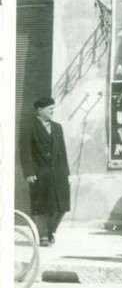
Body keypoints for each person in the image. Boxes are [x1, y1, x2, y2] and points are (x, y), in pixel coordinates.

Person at [20, 96, 71, 246]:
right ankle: (42, 235)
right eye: (50, 109)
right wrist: (28, 172)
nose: (53, 112)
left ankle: (50, 230)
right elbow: (24, 151)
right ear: (40, 110)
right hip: (40, 172)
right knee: (42, 205)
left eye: (53, 109)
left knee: (62, 205)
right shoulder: (28, 126)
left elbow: (62, 151)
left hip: (58, 173)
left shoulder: (57, 127)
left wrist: (66, 173)